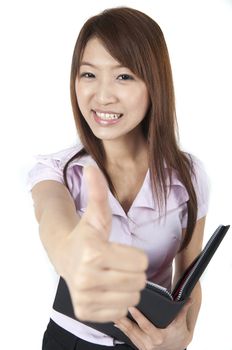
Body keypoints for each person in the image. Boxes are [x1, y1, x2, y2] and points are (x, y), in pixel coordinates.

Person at [28, 6, 209, 350]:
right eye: (88, 74)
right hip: (71, 342)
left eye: (123, 76)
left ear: (153, 83)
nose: (102, 95)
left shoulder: (189, 176)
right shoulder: (58, 171)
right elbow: (51, 214)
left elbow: (189, 282)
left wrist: (182, 336)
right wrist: (67, 252)